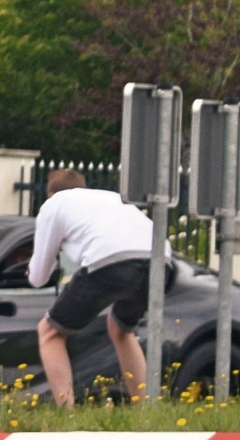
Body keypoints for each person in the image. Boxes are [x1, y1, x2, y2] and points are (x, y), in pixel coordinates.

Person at [27, 168, 154, 405]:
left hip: (109, 260)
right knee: (121, 329)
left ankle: (67, 414)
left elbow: (38, 277)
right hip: (158, 261)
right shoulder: (111, 197)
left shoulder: (55, 205)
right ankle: (146, 408)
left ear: (51, 193)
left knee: (50, 332)